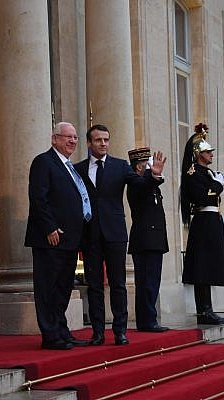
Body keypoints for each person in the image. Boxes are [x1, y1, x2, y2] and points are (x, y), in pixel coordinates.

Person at [75, 124, 149, 346]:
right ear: (89, 143)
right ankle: (97, 332)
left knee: (118, 284)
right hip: (90, 234)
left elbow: (139, 184)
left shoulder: (120, 166)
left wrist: (153, 177)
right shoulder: (77, 168)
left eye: (106, 140)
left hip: (115, 232)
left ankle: (120, 331)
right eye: (98, 140)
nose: (103, 144)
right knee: (94, 284)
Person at [25, 122, 91, 350]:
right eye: (67, 137)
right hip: (51, 237)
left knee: (63, 287)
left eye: (75, 137)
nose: (72, 141)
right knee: (48, 286)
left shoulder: (69, 167)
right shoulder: (44, 162)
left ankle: (61, 330)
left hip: (70, 238)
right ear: (55, 139)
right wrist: (49, 227)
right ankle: (50, 335)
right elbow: (38, 198)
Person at [180, 123, 224, 325]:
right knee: (203, 267)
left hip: (212, 221)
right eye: (208, 152)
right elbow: (201, 197)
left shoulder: (207, 173)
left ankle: (208, 309)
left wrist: (215, 182)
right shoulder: (194, 173)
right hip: (204, 221)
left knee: (209, 265)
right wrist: (218, 186)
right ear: (199, 153)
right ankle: (204, 310)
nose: (211, 154)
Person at [127, 147, 170, 332]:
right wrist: (153, 176)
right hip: (145, 241)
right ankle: (147, 321)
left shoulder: (149, 183)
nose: (152, 167)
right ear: (138, 168)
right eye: (148, 164)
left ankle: (148, 320)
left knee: (152, 282)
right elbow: (145, 184)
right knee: (146, 283)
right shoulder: (136, 183)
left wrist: (154, 177)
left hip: (154, 240)